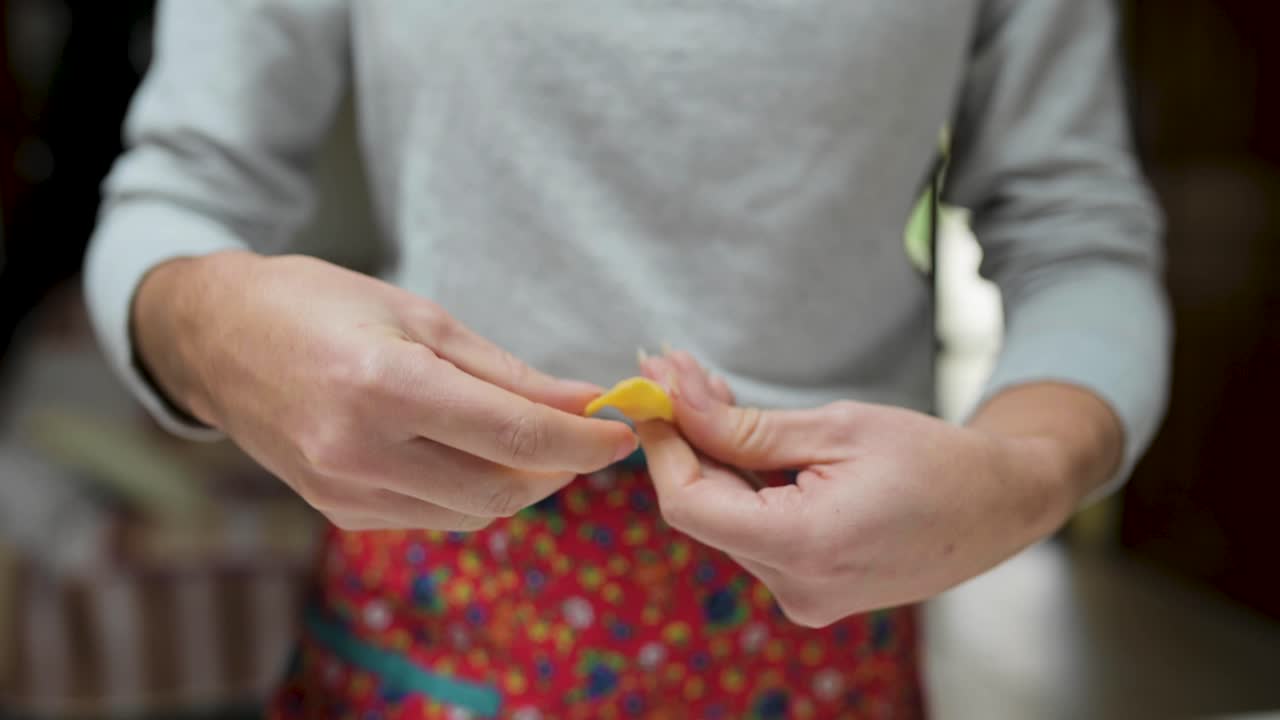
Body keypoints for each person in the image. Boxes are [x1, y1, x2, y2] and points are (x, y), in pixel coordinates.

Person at [84, 1, 1170, 718]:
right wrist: (211, 328)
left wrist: (1026, 473)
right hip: (432, 598)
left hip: (828, 615)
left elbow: (1077, 232)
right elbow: (178, 193)